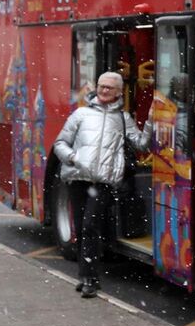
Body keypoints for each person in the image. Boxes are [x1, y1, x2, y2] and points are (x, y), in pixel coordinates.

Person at [52, 70, 153, 298]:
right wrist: (73, 157)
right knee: (80, 226)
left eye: (110, 87)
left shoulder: (123, 119)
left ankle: (90, 278)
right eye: (101, 86)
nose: (104, 90)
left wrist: (151, 121)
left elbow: (142, 144)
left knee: (90, 226)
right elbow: (60, 143)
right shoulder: (81, 115)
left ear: (119, 92)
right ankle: (85, 275)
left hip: (103, 182)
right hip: (78, 179)